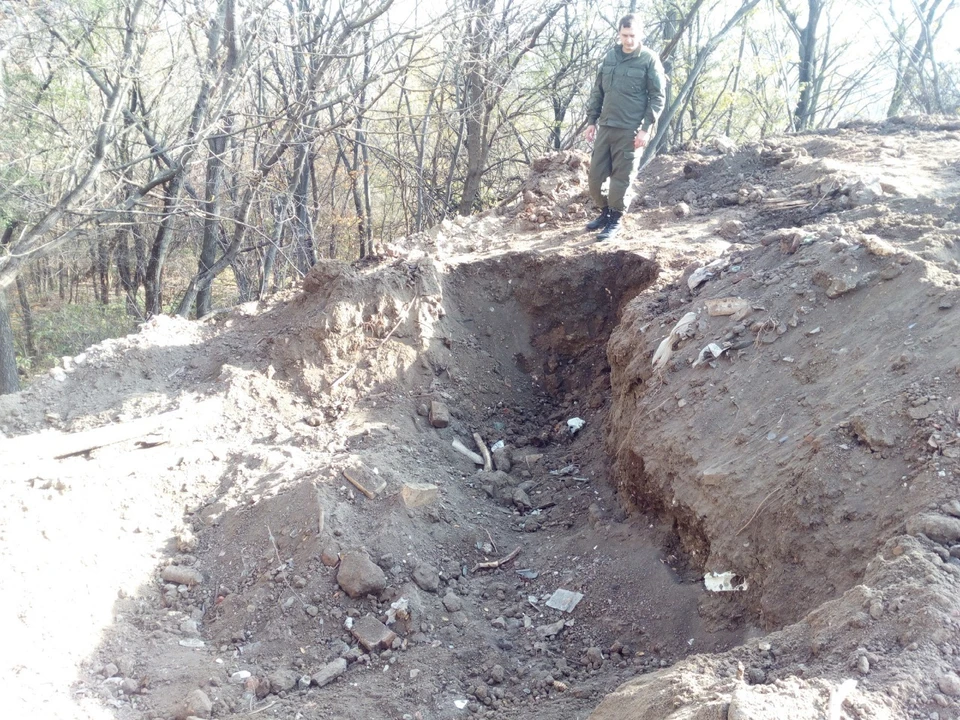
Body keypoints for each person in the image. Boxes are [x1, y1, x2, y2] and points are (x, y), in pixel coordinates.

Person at [584, 14, 666, 241]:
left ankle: (615, 219)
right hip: (606, 126)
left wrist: (645, 128)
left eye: (632, 36)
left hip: (631, 130)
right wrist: (591, 121)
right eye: (624, 35)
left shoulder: (649, 60)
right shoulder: (610, 57)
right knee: (595, 177)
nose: (628, 40)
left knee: (621, 178)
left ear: (640, 35)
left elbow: (658, 97)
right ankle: (604, 212)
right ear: (618, 34)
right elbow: (598, 91)